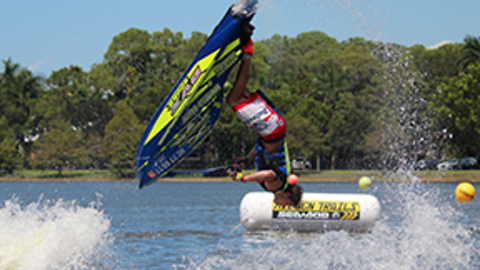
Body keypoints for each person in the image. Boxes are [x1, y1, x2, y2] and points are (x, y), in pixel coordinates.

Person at [226, 38, 303, 207]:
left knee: (242, 97)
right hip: (270, 130)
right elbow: (268, 174)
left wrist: (246, 158)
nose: (281, 206)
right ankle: (247, 54)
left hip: (274, 129)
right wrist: (243, 178)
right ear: (288, 197)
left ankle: (236, 58)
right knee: (234, 100)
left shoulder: (280, 184)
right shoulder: (276, 186)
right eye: (286, 205)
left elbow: (262, 148)